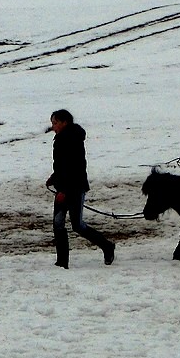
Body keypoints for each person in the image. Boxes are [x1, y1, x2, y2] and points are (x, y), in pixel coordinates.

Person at [46, 109, 115, 268]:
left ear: (65, 122)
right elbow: (63, 166)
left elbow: (73, 168)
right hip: (66, 187)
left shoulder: (70, 139)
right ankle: (62, 261)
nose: (53, 127)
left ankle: (107, 246)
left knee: (76, 225)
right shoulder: (63, 138)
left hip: (74, 189)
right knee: (58, 224)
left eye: (55, 123)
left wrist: (63, 190)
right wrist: (55, 178)